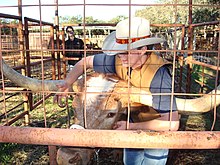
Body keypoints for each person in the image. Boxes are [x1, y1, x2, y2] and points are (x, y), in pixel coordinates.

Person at [54, 17, 180, 165]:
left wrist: (130, 127)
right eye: (118, 52)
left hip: (156, 129)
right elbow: (84, 62)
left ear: (142, 50)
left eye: (125, 52)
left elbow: (171, 124)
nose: (120, 56)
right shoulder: (119, 60)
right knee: (130, 163)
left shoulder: (159, 75)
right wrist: (67, 82)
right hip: (131, 119)